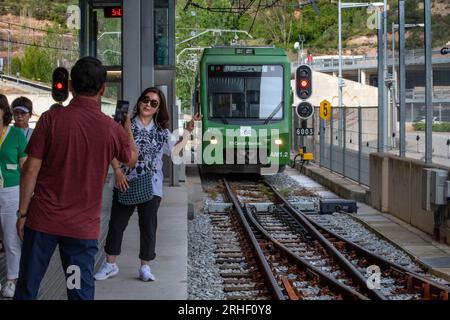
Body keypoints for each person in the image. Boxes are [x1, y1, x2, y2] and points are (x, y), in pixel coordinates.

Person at [13, 57, 138, 300]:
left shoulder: (51, 120)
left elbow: (30, 169)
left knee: (28, 287)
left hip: (42, 223)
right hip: (80, 230)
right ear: (103, 89)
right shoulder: (110, 129)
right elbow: (131, 158)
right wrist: (127, 128)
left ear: (70, 85)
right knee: (77, 289)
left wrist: (23, 214)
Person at [94, 87, 201, 282]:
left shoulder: (162, 132)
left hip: (152, 185)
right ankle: (110, 264)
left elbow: (174, 151)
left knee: (148, 227)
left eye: (154, 103)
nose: (148, 105)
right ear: (139, 101)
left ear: (158, 109)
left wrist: (187, 131)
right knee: (116, 225)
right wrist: (117, 171)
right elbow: (111, 149)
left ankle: (145, 266)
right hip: (125, 182)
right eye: (146, 100)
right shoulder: (123, 125)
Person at [0, 94, 27, 298]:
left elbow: (25, 167)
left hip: (11, 191)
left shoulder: (17, 134)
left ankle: (11, 280)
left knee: (10, 238)